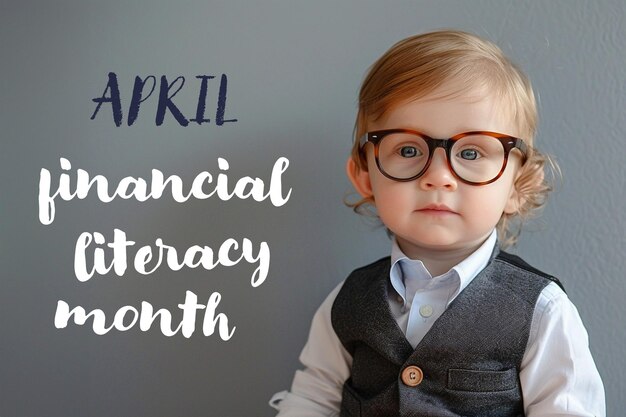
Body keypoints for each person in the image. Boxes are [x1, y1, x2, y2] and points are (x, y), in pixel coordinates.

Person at [270, 30, 605, 416]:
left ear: (518, 184)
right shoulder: (347, 301)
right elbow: (313, 400)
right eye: (409, 149)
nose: (439, 175)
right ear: (365, 176)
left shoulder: (542, 312)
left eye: (472, 150)